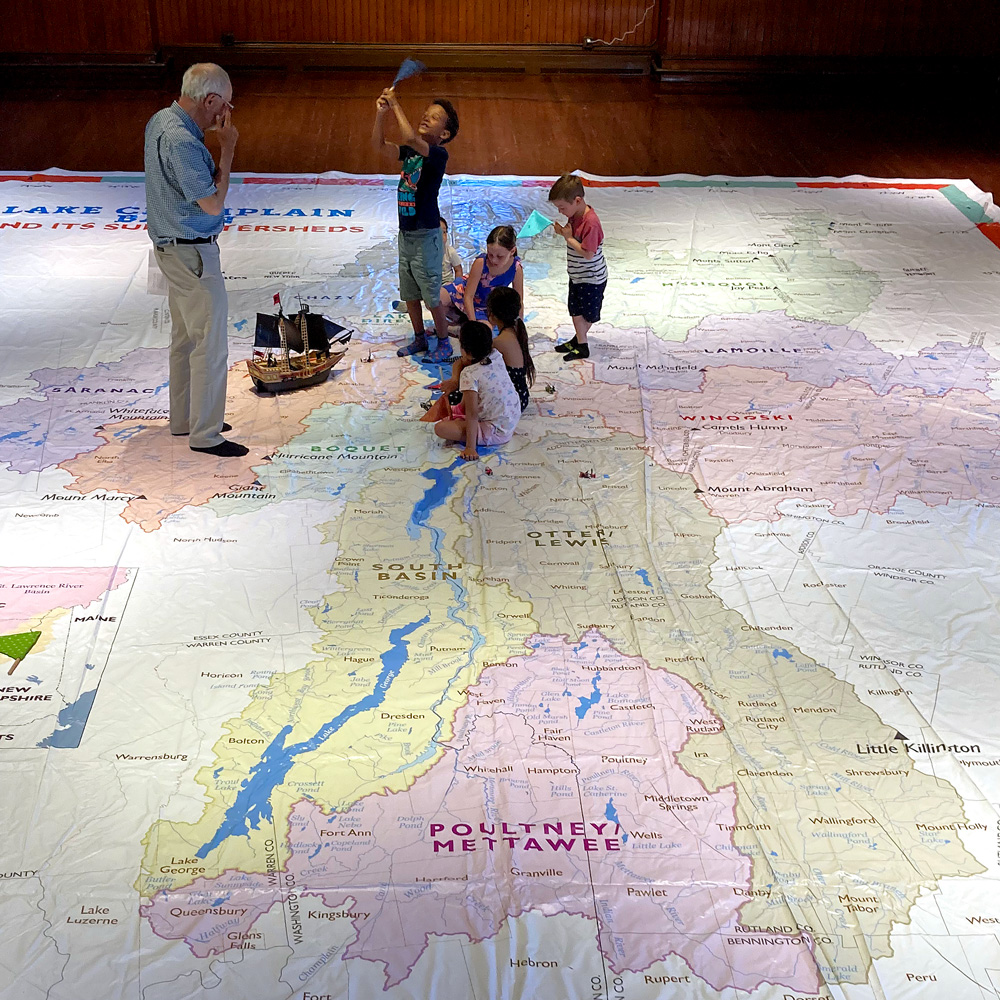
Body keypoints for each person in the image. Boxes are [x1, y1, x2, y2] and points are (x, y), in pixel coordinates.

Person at [144, 62, 247, 457]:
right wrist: (229, 148)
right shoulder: (183, 141)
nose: (228, 113)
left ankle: (186, 418)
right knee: (210, 343)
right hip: (192, 254)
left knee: (185, 339)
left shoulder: (160, 120)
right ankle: (205, 434)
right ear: (210, 100)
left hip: (171, 250)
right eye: (226, 105)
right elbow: (213, 204)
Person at [372, 88, 459, 363]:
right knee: (410, 294)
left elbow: (409, 136)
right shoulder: (411, 152)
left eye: (434, 118)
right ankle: (420, 338)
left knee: (431, 297)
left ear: (444, 133)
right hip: (406, 234)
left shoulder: (438, 155)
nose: (425, 118)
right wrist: (380, 114)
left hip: (426, 236)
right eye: (426, 114)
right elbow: (379, 146)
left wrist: (396, 105)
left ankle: (444, 344)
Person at [434, 322, 521, 461]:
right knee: (459, 405)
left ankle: (474, 436)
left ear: (465, 350)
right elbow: (460, 363)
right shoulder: (495, 355)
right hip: (511, 418)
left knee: (441, 428)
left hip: (498, 431)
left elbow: (472, 414)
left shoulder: (469, 374)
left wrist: (470, 447)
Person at [548, 173, 608, 363]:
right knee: (575, 311)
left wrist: (568, 238)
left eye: (562, 207)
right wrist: (564, 233)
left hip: (591, 278)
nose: (561, 212)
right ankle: (579, 340)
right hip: (577, 275)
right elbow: (574, 237)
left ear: (577, 200)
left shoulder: (591, 223)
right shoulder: (575, 215)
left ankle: (582, 345)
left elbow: (588, 253)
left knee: (587, 314)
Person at [442, 225, 523, 327]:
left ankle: (460, 326)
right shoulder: (481, 263)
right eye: (490, 254)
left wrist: (519, 327)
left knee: (485, 331)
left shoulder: (516, 268)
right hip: (465, 293)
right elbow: (468, 296)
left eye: (499, 256)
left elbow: (519, 301)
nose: (493, 260)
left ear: (512, 251)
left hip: (487, 307)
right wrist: (473, 326)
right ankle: (463, 321)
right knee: (436, 300)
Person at [440, 216, 464, 282]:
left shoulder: (450, 251)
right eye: (438, 233)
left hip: (446, 283)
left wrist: (457, 284)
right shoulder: (424, 252)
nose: (442, 236)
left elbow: (458, 269)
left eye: (444, 232)